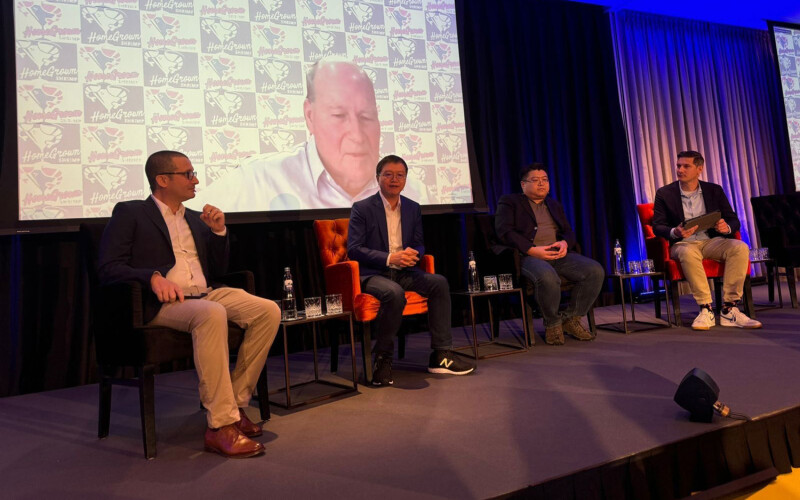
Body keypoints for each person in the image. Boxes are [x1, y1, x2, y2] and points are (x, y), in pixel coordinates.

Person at [98, 151, 281, 458]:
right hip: (163, 302)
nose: (196, 179)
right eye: (189, 174)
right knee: (212, 313)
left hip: (206, 293)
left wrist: (218, 231)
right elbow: (108, 267)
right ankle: (220, 427)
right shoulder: (131, 213)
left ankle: (235, 405)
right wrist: (152, 277)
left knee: (267, 310)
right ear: (163, 180)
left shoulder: (195, 218)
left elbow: (218, 268)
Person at [189, 58, 428, 211]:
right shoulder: (258, 179)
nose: (356, 134)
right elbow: (181, 216)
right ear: (310, 116)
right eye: (338, 116)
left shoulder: (412, 189)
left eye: (366, 116)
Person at [347, 154, 474, 386]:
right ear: (378, 178)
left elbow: (419, 242)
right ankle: (383, 358)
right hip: (373, 274)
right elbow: (354, 249)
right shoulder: (362, 208)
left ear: (405, 180)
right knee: (393, 293)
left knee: (439, 282)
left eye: (400, 175)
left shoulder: (412, 208)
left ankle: (441, 354)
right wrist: (390, 258)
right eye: (388, 175)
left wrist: (412, 254)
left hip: (404, 271)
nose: (394, 180)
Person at [495, 163, 604, 345]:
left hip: (557, 254)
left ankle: (571, 319)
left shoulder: (553, 204)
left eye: (545, 180)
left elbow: (569, 232)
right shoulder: (510, 202)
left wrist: (564, 243)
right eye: (535, 180)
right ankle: (552, 324)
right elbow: (504, 232)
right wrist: (531, 250)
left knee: (595, 271)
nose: (541, 184)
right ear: (523, 185)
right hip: (528, 256)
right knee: (547, 276)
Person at [652, 150, 761, 331]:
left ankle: (729, 309)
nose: (680, 170)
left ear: (699, 169)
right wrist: (675, 232)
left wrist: (726, 227)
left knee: (740, 247)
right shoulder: (665, 193)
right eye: (678, 165)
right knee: (688, 251)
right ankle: (706, 309)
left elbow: (733, 219)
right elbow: (658, 226)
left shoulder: (714, 190)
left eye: (686, 166)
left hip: (711, 241)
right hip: (683, 244)